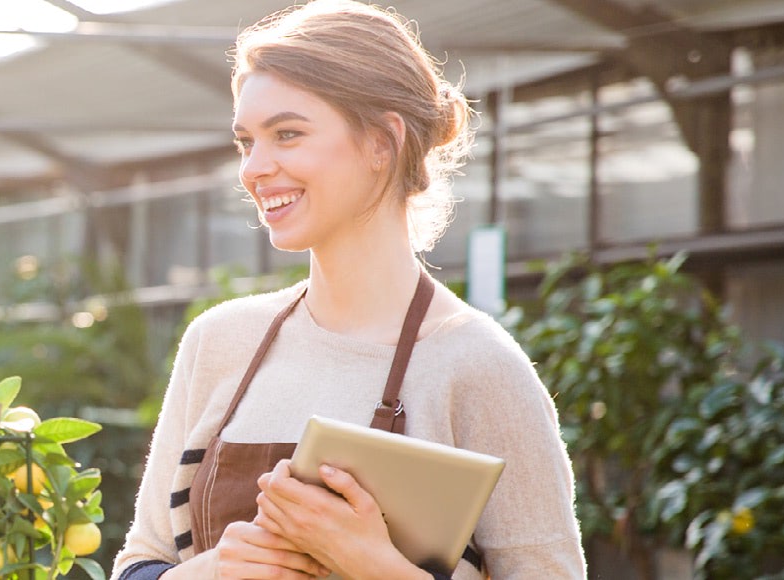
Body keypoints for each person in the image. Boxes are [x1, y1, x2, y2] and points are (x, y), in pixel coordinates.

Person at [112, 1, 584, 579]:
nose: (254, 168)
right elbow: (141, 561)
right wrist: (210, 573)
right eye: (246, 142)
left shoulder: (478, 368)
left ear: (383, 141)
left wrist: (373, 564)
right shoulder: (220, 342)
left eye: (287, 134)